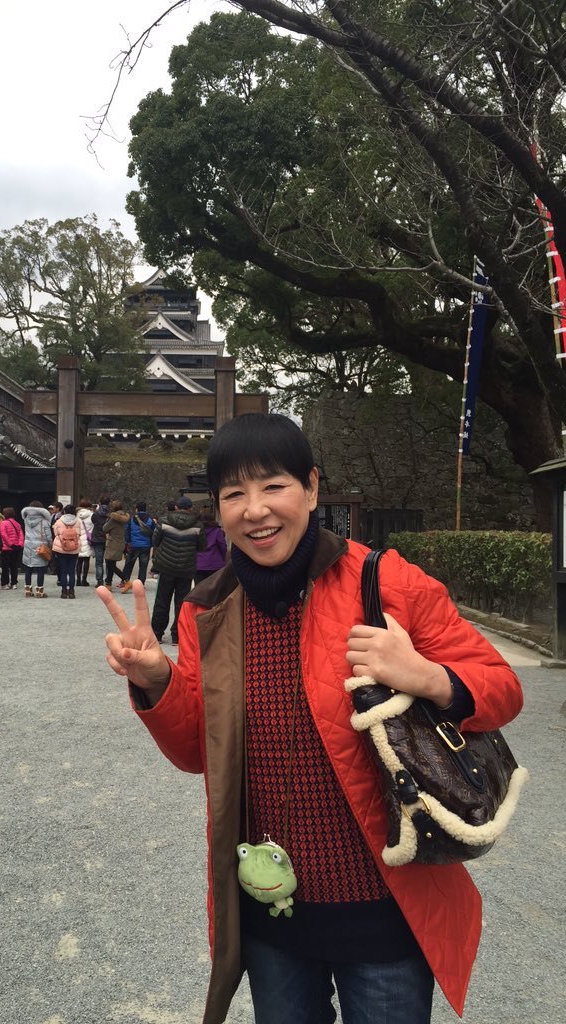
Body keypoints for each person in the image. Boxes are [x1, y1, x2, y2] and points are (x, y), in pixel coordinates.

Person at [97, 412, 524, 1024]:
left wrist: (427, 676)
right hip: (273, 906)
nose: (255, 510)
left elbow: (503, 687)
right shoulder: (208, 609)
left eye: (274, 486)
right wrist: (158, 682)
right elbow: (197, 752)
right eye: (234, 494)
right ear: (218, 509)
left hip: (385, 902)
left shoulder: (386, 581)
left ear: (312, 488)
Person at [149, 495, 206, 645]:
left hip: (166, 566)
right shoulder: (198, 525)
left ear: (176, 507)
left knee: (162, 600)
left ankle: (157, 633)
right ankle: (177, 635)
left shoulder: (164, 521)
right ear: (191, 508)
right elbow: (202, 547)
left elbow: (155, 541)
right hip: (186, 569)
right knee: (181, 602)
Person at [118, 501, 155, 593]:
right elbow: (154, 533)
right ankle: (141, 584)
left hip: (134, 545)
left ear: (137, 509)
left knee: (129, 564)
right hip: (146, 546)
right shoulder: (150, 520)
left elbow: (127, 532)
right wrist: (151, 544)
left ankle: (125, 581)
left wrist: (128, 542)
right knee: (143, 566)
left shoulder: (132, 520)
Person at [21, 501, 53, 598]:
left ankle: (27, 590)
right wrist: (50, 546)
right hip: (40, 546)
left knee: (28, 568)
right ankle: (39, 591)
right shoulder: (44, 521)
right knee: (40, 569)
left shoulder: (26, 520)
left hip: (28, 545)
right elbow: (48, 536)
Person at [52, 503, 83, 599]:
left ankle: (64, 592)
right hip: (74, 548)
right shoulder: (78, 521)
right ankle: (72, 592)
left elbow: (55, 533)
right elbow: (80, 533)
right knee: (72, 571)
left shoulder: (59, 521)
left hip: (61, 548)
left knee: (63, 571)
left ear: (64, 511)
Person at [102, 500, 130, 591]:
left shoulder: (113, 519)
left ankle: (127, 581)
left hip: (112, 543)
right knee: (112, 563)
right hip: (120, 543)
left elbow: (104, 528)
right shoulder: (125, 517)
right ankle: (108, 584)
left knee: (110, 565)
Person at [195, 507, 228, 584]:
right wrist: (222, 558)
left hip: (199, 564)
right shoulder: (217, 531)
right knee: (214, 588)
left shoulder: (195, 531)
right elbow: (223, 546)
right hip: (215, 563)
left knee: (199, 588)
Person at [0, 507, 24, 590]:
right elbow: (21, 535)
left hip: (6, 548)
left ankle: (5, 583)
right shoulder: (17, 523)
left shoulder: (3, 523)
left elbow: (3, 535)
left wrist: (11, 544)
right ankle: (14, 583)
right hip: (16, 548)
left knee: (5, 567)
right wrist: (19, 545)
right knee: (14, 566)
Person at [90, 495, 110, 587]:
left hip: (97, 538)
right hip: (108, 539)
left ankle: (100, 581)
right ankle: (108, 580)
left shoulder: (96, 513)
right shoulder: (111, 513)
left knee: (99, 562)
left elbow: (93, 521)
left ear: (100, 503)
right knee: (109, 561)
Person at [75, 498, 94, 586]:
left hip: (79, 538)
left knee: (79, 560)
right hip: (87, 539)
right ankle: (84, 580)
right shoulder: (91, 515)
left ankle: (78, 580)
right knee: (86, 560)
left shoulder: (77, 514)